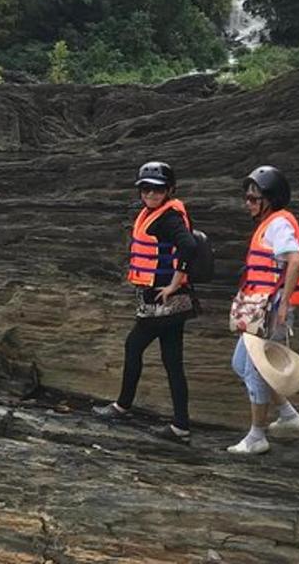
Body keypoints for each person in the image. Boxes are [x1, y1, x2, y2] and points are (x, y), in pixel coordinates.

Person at [92, 162, 198, 444]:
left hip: (162, 301)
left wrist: (174, 283)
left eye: (158, 189)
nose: (151, 194)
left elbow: (188, 246)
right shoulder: (154, 214)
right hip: (171, 302)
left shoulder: (168, 218)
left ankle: (122, 406)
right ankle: (180, 425)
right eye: (146, 189)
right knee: (172, 360)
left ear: (170, 190)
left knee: (134, 345)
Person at [227, 165, 299, 455]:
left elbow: (295, 261)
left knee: (256, 371)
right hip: (259, 311)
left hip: (271, 311)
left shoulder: (278, 224)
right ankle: (288, 416)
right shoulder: (270, 223)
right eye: (247, 198)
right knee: (241, 364)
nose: (248, 203)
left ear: (269, 199)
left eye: (253, 198)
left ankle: (256, 436)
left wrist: (284, 304)